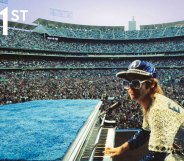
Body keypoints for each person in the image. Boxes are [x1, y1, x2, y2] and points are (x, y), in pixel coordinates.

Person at [104, 60, 184, 161]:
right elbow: (145, 132)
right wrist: (122, 148)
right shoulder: (153, 101)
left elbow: (157, 157)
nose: (130, 88)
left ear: (151, 85)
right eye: (127, 83)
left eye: (136, 83)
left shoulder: (157, 110)